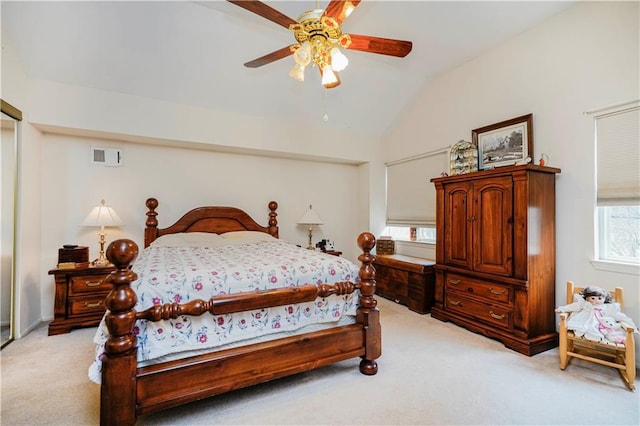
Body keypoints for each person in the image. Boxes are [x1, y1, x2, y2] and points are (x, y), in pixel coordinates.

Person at [555, 286, 638, 344]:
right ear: (587, 298)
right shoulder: (584, 304)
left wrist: (633, 327)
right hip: (584, 321)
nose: (596, 301)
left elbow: (620, 316)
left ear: (604, 299)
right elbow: (573, 307)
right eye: (593, 298)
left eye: (599, 298)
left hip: (600, 325)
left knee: (604, 329)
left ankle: (602, 336)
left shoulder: (606, 307)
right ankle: (586, 333)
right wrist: (562, 308)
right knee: (583, 327)